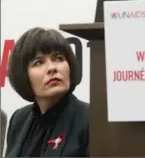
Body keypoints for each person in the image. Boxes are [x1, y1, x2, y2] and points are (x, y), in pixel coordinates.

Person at [5, 27, 90, 157]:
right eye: (39, 62)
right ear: (23, 74)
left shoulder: (90, 118)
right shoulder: (19, 119)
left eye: (59, 58)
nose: (52, 68)